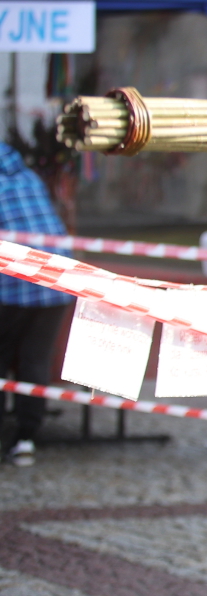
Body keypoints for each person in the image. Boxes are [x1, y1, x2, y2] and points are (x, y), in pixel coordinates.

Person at [0, 143, 76, 466]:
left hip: (14, 286)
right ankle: (26, 439)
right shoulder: (29, 177)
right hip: (57, 283)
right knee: (34, 362)